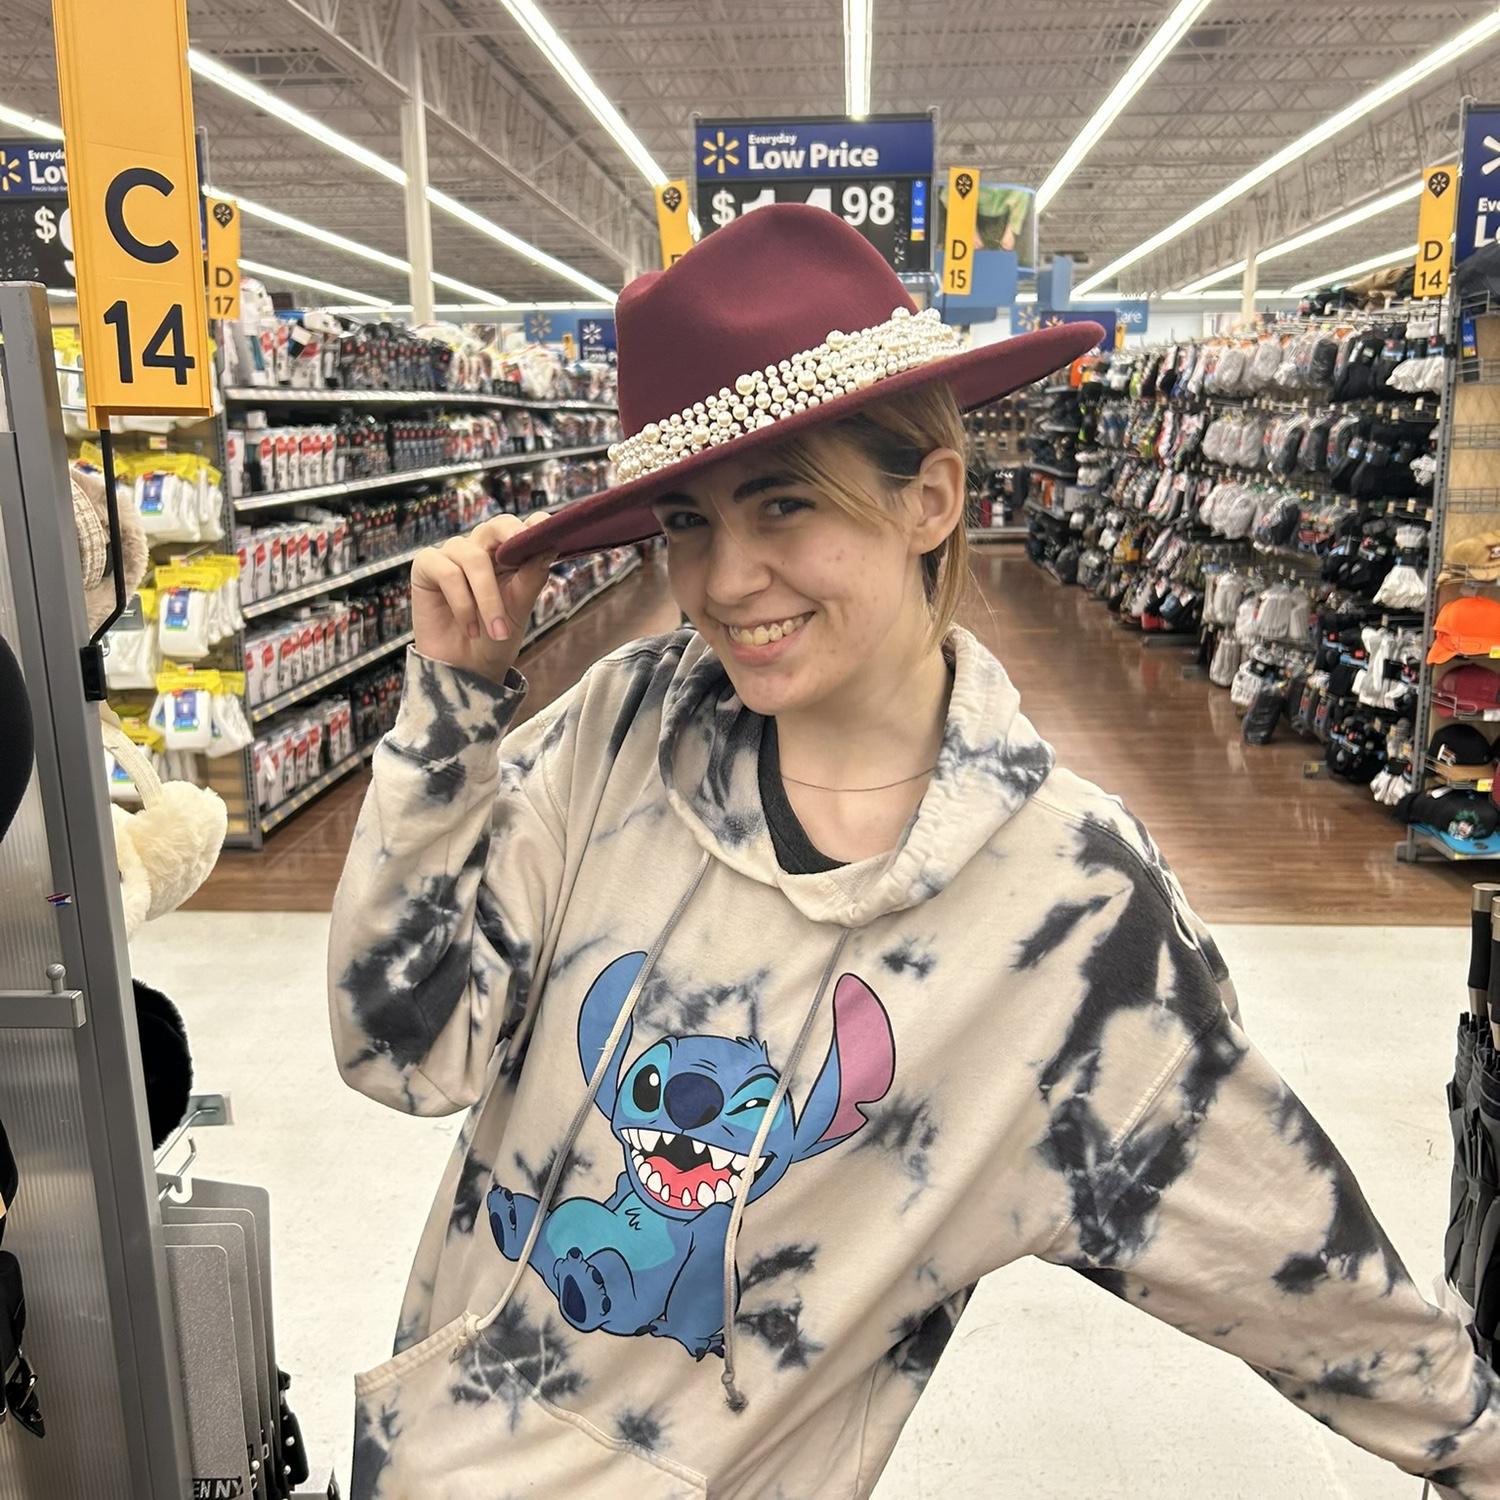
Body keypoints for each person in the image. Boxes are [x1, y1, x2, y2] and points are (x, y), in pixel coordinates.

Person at [328, 205, 1500, 1499]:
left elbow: (1303, 1273)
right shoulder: (619, 731)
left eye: (784, 503)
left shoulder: (1064, 917)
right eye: (689, 521)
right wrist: (447, 715)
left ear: (930, 498)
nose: (726, 580)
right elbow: (402, 1049)